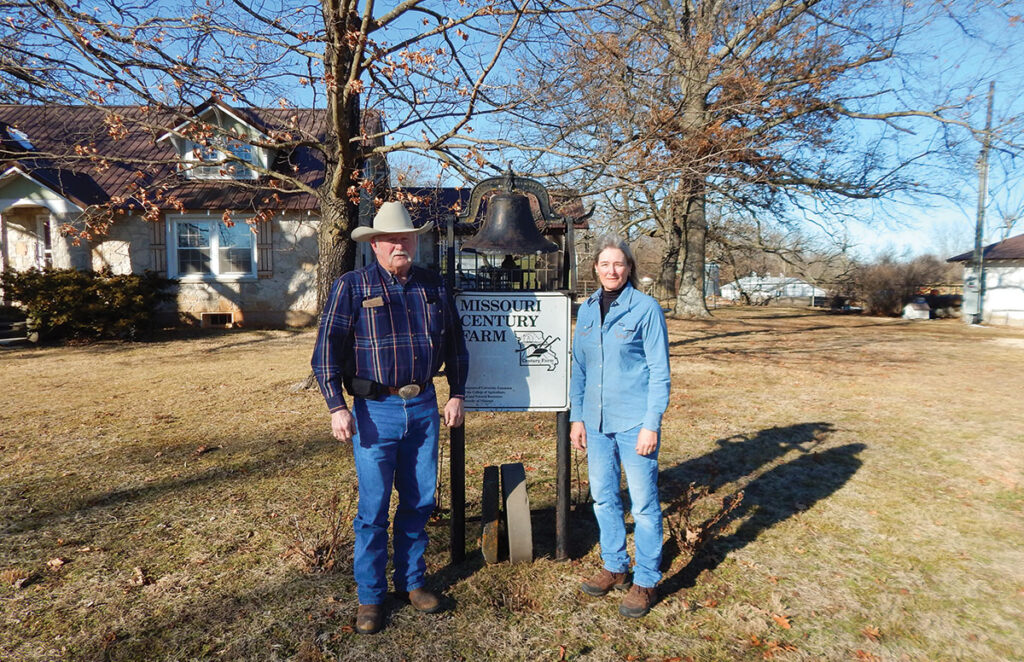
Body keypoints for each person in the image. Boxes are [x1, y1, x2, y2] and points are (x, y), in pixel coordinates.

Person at [311, 201, 469, 635]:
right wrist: (336, 406)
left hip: (422, 407)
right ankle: (371, 596)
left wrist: (456, 393)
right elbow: (326, 349)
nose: (400, 244)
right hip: (374, 410)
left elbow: (454, 344)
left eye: (406, 237)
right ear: (376, 244)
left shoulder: (432, 286)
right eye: (391, 239)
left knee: (419, 500)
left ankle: (412, 582)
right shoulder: (352, 286)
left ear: (415, 241)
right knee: (374, 507)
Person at [569, 235, 671, 618]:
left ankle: (645, 580)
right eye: (605, 264)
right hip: (595, 423)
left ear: (629, 269)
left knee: (643, 505)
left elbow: (660, 372)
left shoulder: (646, 309)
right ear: (595, 268)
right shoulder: (587, 309)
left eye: (619, 264)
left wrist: (651, 424)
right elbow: (579, 369)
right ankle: (615, 566)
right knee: (604, 498)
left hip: (633, 423)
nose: (612, 270)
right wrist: (578, 417)